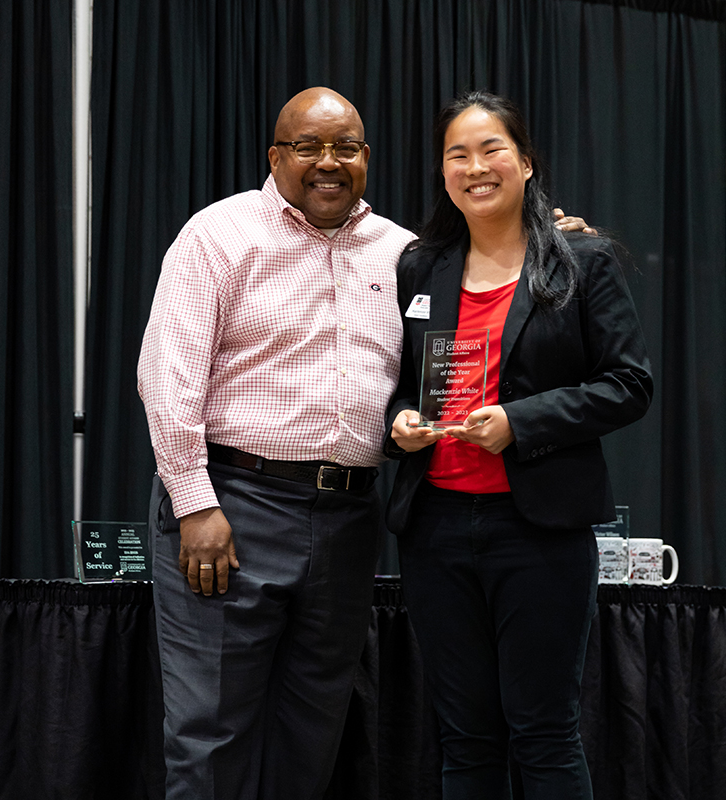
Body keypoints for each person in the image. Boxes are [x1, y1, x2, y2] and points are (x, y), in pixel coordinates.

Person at [138, 85, 593, 800]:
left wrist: (546, 237)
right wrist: (194, 502)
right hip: (232, 506)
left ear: (366, 158)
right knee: (211, 734)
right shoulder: (218, 235)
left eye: (344, 147)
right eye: (308, 147)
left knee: (311, 732)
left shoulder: (407, 254)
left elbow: (477, 298)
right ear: (275, 156)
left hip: (348, 520)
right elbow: (167, 379)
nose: (328, 162)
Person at [384, 91, 653, 799]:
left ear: (526, 163)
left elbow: (630, 384)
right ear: (442, 173)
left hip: (536, 531)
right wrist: (402, 424)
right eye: (457, 155)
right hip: (436, 531)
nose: (475, 167)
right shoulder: (420, 267)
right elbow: (405, 385)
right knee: (465, 737)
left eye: (491, 149)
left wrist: (520, 421)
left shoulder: (581, 263)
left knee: (542, 730)